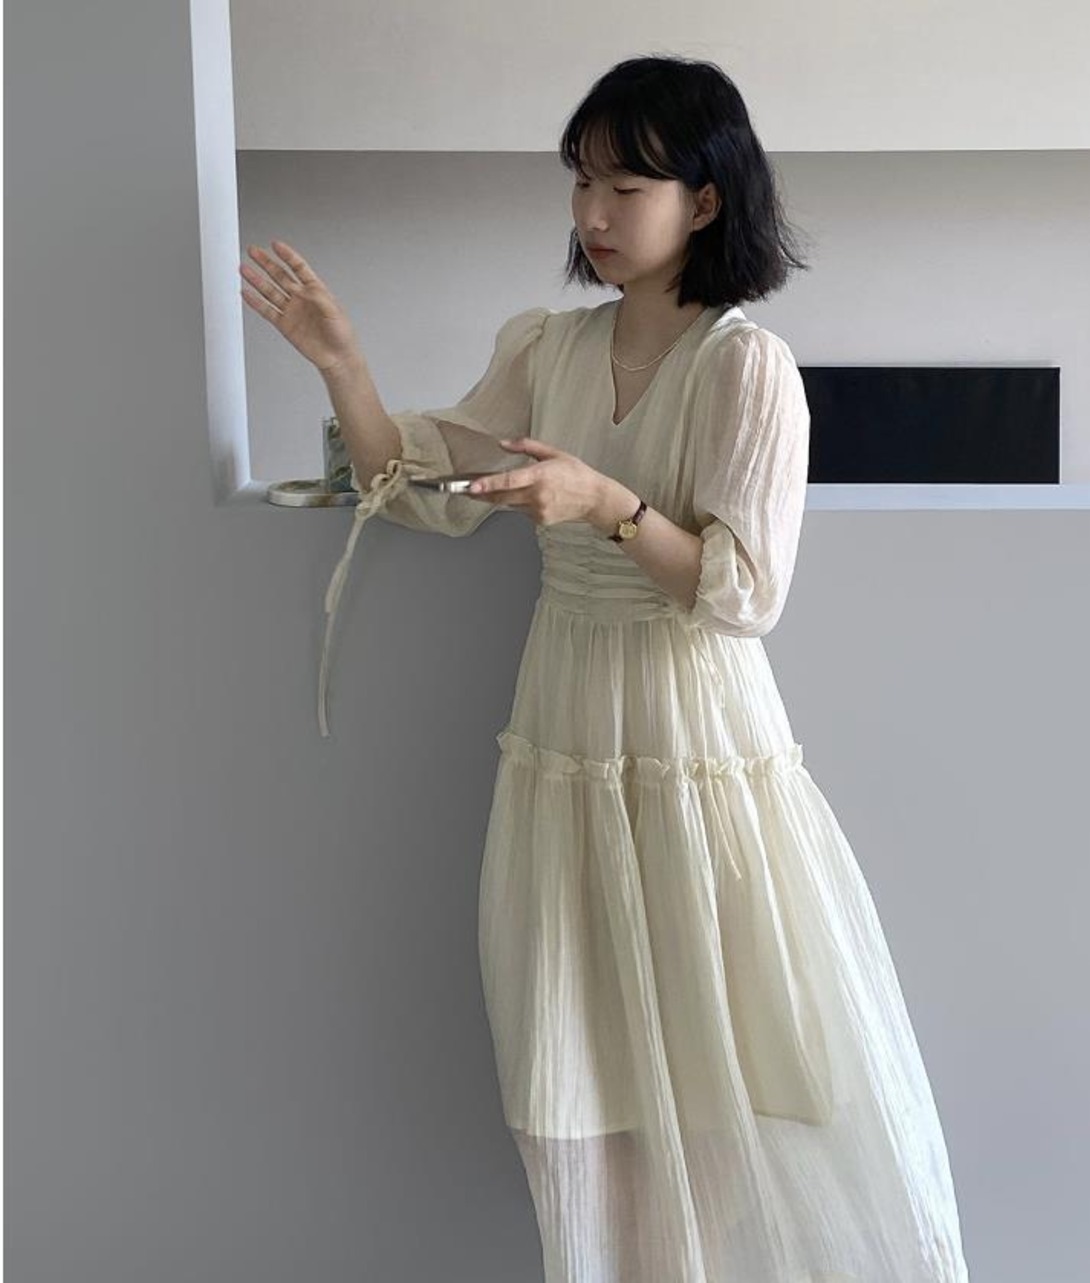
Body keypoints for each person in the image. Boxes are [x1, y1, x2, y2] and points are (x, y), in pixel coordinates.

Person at [241, 53, 970, 1283]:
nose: (592, 212)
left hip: (693, 748)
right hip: (566, 737)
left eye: (625, 185)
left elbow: (744, 592)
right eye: (581, 181)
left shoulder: (745, 366)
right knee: (567, 1093)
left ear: (703, 200)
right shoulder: (547, 347)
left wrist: (606, 504)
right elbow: (416, 487)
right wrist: (342, 364)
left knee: (718, 1094)